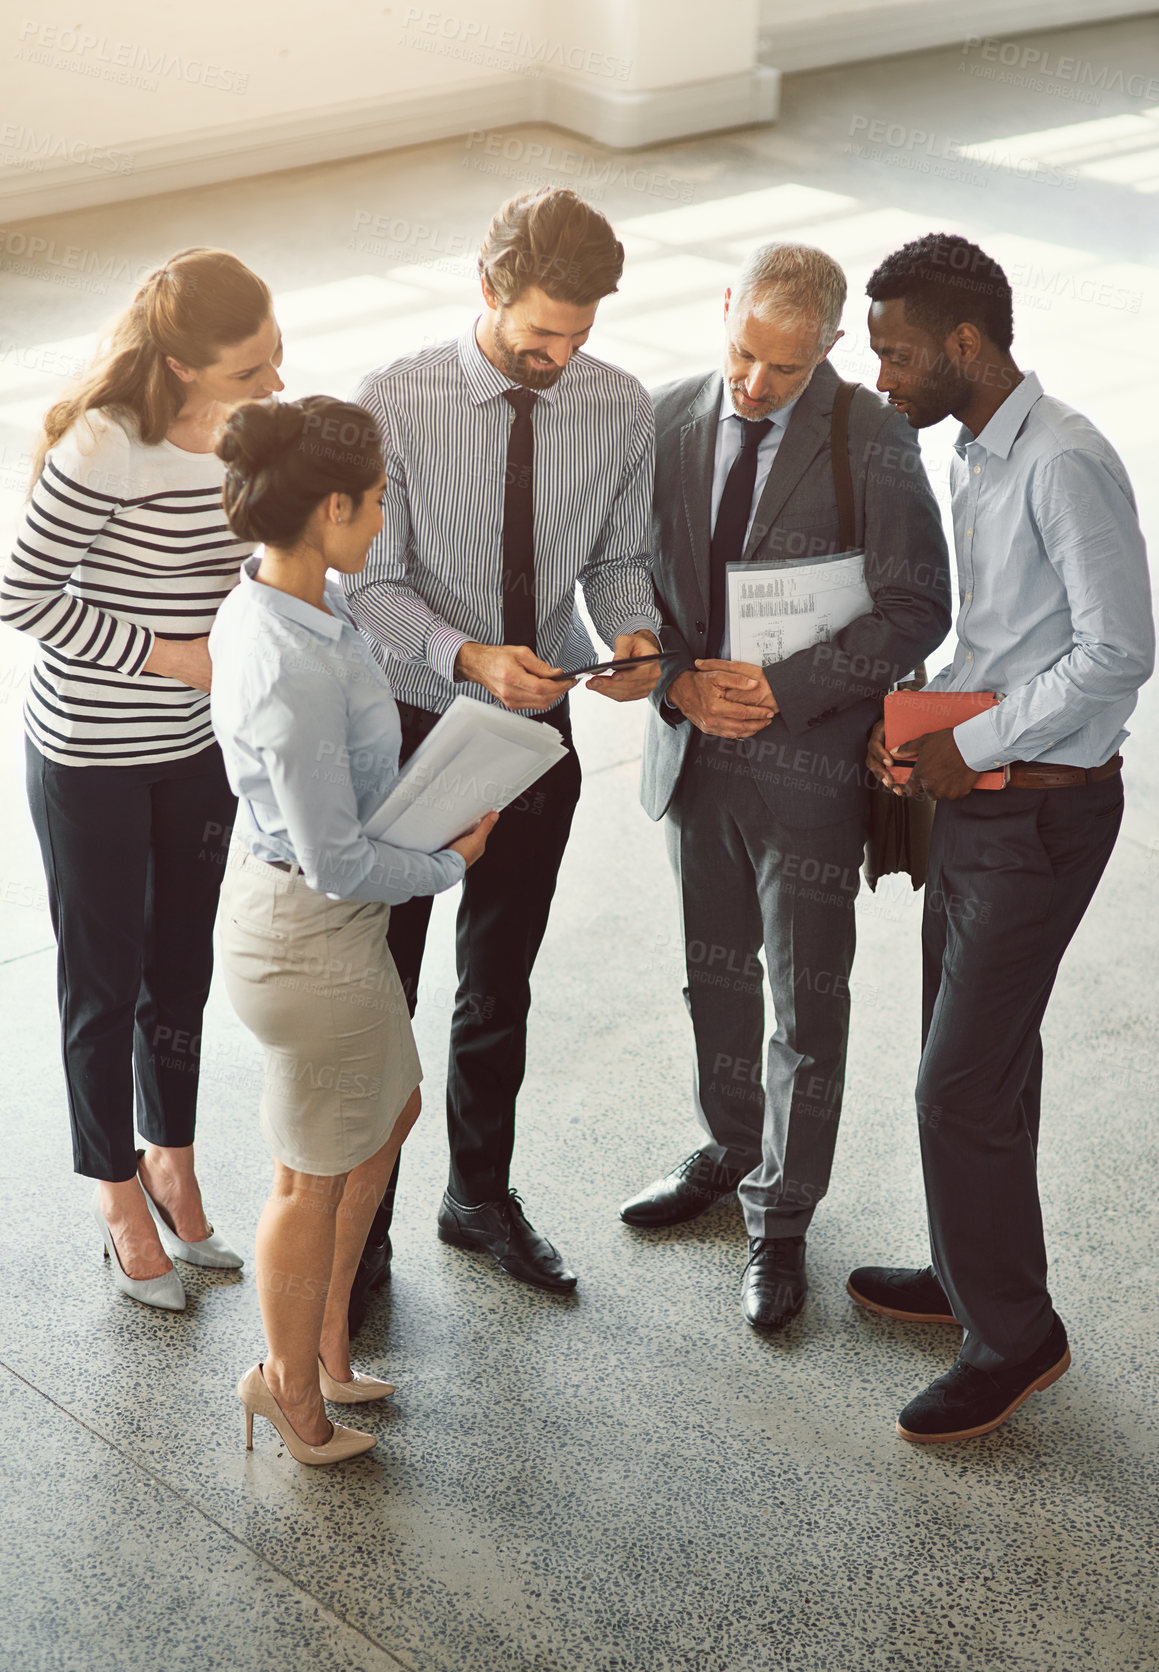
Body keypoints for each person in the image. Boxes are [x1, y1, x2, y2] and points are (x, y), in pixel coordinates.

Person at [851, 232, 1154, 1442]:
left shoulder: (1065, 461)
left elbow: (1116, 654)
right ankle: (970, 1275)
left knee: (956, 1082)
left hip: (1039, 813)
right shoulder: (977, 453)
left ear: (965, 343)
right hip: (979, 800)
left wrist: (963, 751)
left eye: (896, 352)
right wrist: (922, 718)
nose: (884, 377)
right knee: (972, 1055)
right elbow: (1006, 641)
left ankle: (1017, 1339)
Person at [621, 242, 951, 1333]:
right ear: (724, 310)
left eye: (782, 367)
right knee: (710, 976)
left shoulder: (875, 438)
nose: (751, 384)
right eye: (741, 353)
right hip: (692, 752)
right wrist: (675, 685)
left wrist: (787, 688)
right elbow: (630, 579)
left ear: (829, 347)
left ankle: (782, 1217)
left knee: (808, 1001)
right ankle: (727, 1147)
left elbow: (916, 607)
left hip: (807, 766)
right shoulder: (667, 418)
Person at [345, 186, 663, 1309]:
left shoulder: (615, 407)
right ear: (485, 291)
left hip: (536, 725)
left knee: (499, 978)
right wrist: (468, 655)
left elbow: (619, 560)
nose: (560, 356)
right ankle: (358, 1226)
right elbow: (367, 587)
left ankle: (478, 1194)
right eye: (541, 333)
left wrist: (631, 632)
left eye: (579, 336)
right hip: (412, 724)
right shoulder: (395, 399)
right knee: (386, 986)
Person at [210, 395, 496, 1465]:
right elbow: (333, 861)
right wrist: (449, 863)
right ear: (330, 507)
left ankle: (323, 1345)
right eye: (374, 504)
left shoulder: (292, 598)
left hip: (326, 928)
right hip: (310, 934)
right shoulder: (290, 663)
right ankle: (285, 1388)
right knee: (308, 1174)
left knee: (390, 1110)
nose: (382, 522)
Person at [0, 248, 283, 1311]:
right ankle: (116, 1194)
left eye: (276, 359)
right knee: (102, 981)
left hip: (196, 745)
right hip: (92, 752)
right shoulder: (105, 445)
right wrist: (173, 654)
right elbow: (18, 595)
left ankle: (171, 1154)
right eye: (249, 370)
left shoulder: (245, 432)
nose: (272, 386)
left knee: (180, 968)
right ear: (181, 362)